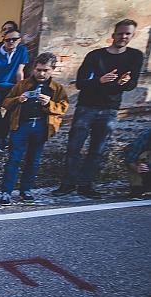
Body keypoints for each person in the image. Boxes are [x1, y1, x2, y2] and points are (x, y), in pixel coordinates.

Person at [52, 19, 144, 199]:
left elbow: (132, 84)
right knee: (74, 148)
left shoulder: (135, 56)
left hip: (110, 109)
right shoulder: (95, 56)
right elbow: (80, 83)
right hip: (87, 107)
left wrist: (125, 83)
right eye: (120, 33)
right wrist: (99, 80)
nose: (123, 37)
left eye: (128, 34)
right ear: (113, 35)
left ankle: (86, 185)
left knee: (97, 150)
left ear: (132, 35)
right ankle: (68, 184)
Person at [0, 53, 69, 205]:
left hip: (42, 126)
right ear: (33, 69)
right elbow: (5, 102)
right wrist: (19, 99)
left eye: (45, 70)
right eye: (38, 70)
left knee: (33, 160)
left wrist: (48, 104)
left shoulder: (57, 88)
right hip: (21, 126)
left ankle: (26, 190)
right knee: (14, 159)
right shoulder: (22, 85)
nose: (41, 74)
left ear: (52, 70)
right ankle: (6, 192)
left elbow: (63, 108)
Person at [122, 129, 150, 200]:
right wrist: (137, 168)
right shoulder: (145, 135)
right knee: (142, 156)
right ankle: (137, 187)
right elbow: (130, 158)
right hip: (145, 166)